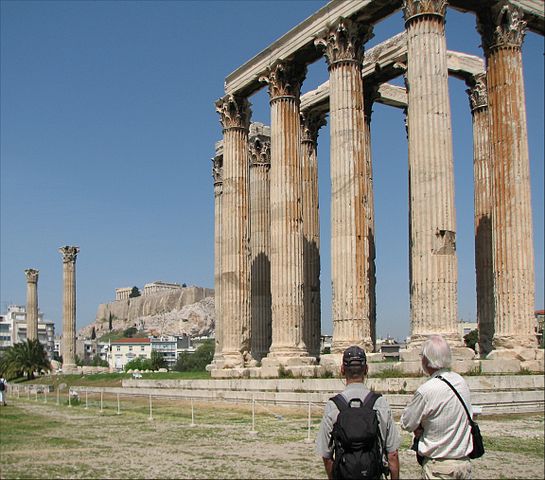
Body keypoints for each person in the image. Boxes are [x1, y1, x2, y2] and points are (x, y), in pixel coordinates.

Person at [316, 346, 400, 480]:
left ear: (342, 370)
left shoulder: (333, 406)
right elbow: (393, 455)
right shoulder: (380, 404)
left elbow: (326, 456)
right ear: (366, 369)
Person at [401, 335, 473, 479]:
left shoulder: (426, 390)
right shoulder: (461, 383)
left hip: (439, 468)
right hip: (463, 464)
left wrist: (420, 426)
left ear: (426, 360)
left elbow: (406, 423)